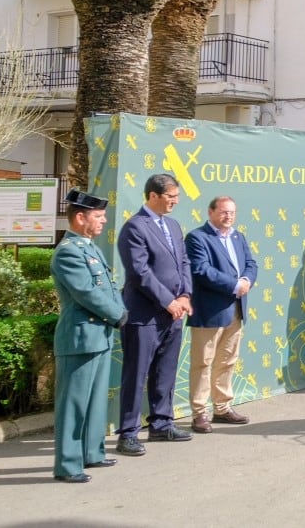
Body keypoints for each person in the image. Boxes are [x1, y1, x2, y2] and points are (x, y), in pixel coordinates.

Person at [50, 190, 127, 483]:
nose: (104, 221)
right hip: (80, 337)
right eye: (98, 216)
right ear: (80, 217)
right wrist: (118, 315)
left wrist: (120, 311)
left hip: (99, 334)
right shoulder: (69, 251)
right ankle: (68, 464)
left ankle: (92, 452)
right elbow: (86, 292)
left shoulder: (89, 247)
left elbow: (107, 286)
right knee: (74, 404)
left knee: (94, 401)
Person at [116, 173, 194, 455]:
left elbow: (183, 261)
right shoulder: (135, 227)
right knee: (136, 375)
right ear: (152, 196)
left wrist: (185, 295)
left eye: (176, 197)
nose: (175, 202)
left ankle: (161, 424)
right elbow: (139, 273)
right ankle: (128, 433)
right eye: (170, 197)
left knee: (165, 371)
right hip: (144, 314)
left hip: (173, 313)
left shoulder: (173, 225)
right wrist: (167, 301)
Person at [185, 195, 258, 433]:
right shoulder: (198, 237)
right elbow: (201, 270)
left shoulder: (238, 236)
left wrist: (246, 279)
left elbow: (251, 263)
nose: (228, 217)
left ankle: (222, 407)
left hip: (235, 310)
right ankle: (199, 413)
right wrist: (235, 285)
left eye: (232, 213)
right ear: (211, 212)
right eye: (224, 212)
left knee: (228, 361)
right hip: (210, 311)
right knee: (202, 363)